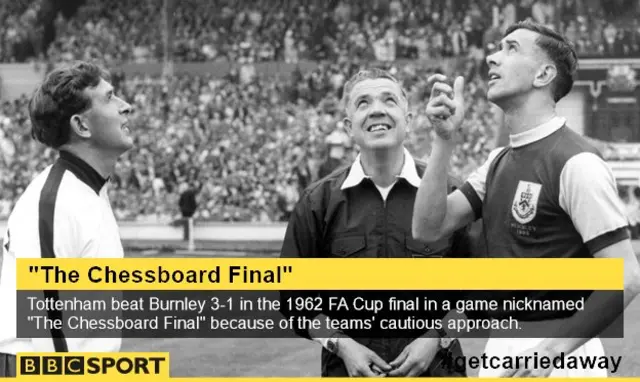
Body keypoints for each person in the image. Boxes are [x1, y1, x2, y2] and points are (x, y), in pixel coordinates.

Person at [412, 20, 640, 377]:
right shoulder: (496, 162)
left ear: (543, 74)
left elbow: (627, 276)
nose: (491, 57)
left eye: (510, 48)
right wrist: (443, 140)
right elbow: (428, 228)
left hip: (559, 352)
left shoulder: (576, 163)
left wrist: (549, 352)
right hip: (501, 343)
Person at [279, 68, 483, 377]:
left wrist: (436, 339)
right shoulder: (317, 203)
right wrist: (341, 344)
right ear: (349, 127)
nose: (377, 109)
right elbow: (293, 301)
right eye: (363, 103)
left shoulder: (451, 196)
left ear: (408, 118)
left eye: (389, 99)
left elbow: (482, 293)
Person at [0, 61, 133, 376]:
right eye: (110, 98)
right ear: (82, 125)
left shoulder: (87, 189)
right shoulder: (57, 203)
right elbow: (48, 324)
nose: (126, 106)